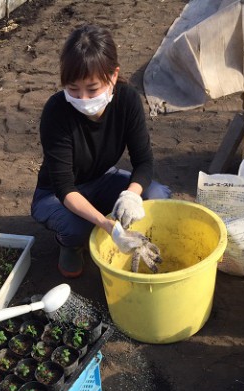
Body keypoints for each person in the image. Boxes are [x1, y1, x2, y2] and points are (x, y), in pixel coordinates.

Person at [31, 24, 170, 278]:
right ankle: (69, 244)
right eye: (73, 89)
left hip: (101, 179)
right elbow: (64, 188)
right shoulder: (56, 112)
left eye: (92, 89)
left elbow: (144, 162)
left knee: (158, 194)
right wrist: (108, 226)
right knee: (77, 228)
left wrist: (131, 195)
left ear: (113, 76)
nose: (83, 99)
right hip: (54, 194)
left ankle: (133, 235)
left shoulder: (127, 100)